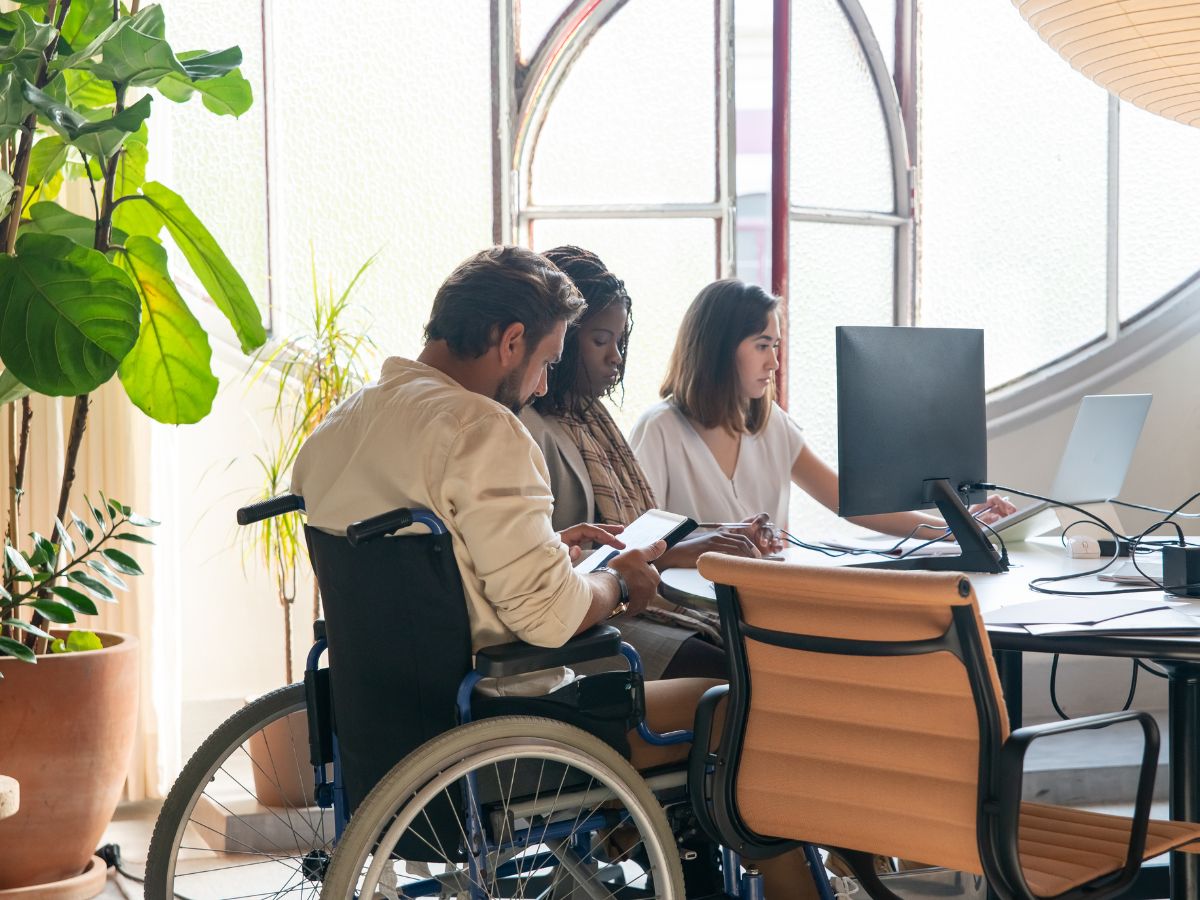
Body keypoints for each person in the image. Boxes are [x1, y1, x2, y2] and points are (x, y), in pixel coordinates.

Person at [291, 246, 717, 731]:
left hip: (385, 719)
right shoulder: (482, 428)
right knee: (721, 700)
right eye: (546, 363)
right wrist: (618, 583)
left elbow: (430, 580)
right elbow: (551, 619)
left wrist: (548, 549)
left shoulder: (340, 425)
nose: (540, 388)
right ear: (512, 341)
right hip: (507, 721)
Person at [520, 246, 768, 681]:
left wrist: (715, 535)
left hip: (612, 606)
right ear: (559, 335)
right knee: (734, 670)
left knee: (755, 651)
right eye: (600, 341)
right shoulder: (531, 428)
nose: (615, 357)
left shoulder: (589, 418)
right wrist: (670, 555)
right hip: (587, 623)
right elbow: (557, 563)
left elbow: (631, 528)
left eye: (620, 342)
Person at [629, 279, 1016, 540]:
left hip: (762, 602)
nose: (774, 363)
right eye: (762, 345)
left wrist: (958, 529)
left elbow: (851, 503)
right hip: (699, 611)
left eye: (775, 347)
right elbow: (640, 543)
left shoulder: (770, 425)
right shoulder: (660, 430)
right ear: (718, 348)